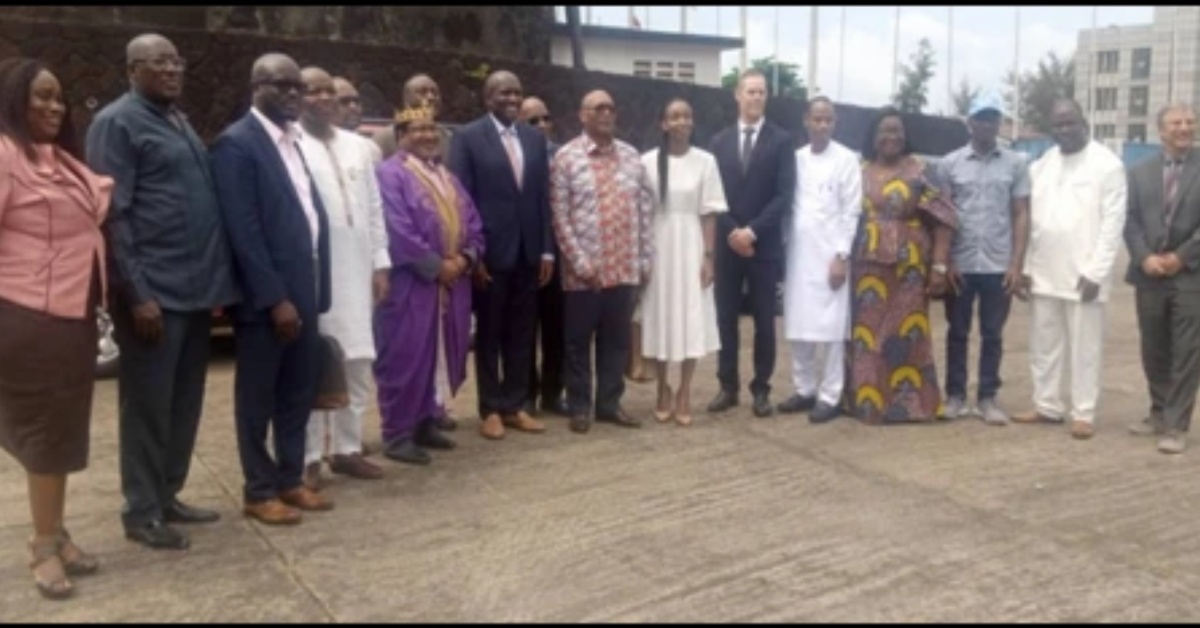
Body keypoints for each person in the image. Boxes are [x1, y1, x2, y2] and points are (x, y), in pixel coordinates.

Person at [85, 33, 239, 550]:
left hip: (196, 292)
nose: (172, 70)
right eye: (159, 63)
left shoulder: (177, 119)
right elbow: (114, 215)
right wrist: (137, 293)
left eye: (177, 61)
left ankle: (168, 493)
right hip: (156, 295)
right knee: (148, 406)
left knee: (184, 403)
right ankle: (142, 510)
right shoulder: (116, 123)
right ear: (131, 70)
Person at [0, 57, 111, 599]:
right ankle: (43, 546)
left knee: (63, 429)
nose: (52, 106)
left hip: (73, 315)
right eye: (40, 96)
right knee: (45, 433)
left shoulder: (62, 162)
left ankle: (58, 531)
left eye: (58, 98)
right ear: (14, 98)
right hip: (29, 317)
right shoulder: (2, 155)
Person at [211, 53, 334, 524]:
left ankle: (288, 479)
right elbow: (244, 231)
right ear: (255, 86)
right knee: (257, 398)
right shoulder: (237, 144)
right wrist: (275, 298)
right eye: (281, 86)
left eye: (297, 87)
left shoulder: (293, 142)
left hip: (305, 288)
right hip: (267, 301)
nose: (292, 94)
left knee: (297, 393)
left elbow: (305, 216)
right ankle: (258, 490)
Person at [296, 66, 390, 487]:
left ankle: (347, 448)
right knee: (319, 363)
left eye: (328, 91)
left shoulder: (359, 148)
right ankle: (311, 455)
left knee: (358, 361)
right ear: (298, 98)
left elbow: (373, 209)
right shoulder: (292, 145)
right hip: (317, 273)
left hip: (359, 268)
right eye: (311, 91)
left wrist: (381, 262)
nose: (322, 98)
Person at [375, 104, 483, 464]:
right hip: (412, 283)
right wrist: (436, 266)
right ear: (400, 136)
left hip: (450, 284)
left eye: (431, 129)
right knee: (406, 356)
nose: (426, 135)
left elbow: (472, 219)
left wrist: (467, 258)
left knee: (438, 356)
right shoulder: (390, 175)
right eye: (416, 129)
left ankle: (425, 421)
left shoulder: (446, 176)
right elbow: (397, 227)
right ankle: (397, 434)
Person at [1014, 99, 1126, 440]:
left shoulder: (1107, 165)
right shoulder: (1042, 165)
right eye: (1058, 125)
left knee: (1085, 347)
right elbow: (1033, 221)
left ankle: (1083, 412)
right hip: (1045, 270)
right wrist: (1027, 267)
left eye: (1070, 123)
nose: (1064, 130)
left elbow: (1113, 224)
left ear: (1085, 124)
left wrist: (1097, 271)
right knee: (1044, 343)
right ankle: (1047, 405)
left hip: (1084, 275)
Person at [449, 71, 551, 440]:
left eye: (517, 92)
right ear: (488, 97)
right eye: (504, 92)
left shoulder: (533, 139)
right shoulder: (468, 138)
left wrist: (546, 251)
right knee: (490, 334)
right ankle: (489, 408)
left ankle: (515, 404)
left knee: (523, 333)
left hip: (528, 253)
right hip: (490, 256)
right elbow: (462, 200)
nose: (512, 98)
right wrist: (472, 256)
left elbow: (541, 198)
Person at [550, 90, 655, 434]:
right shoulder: (566, 158)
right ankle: (580, 406)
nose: (606, 113)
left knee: (616, 343)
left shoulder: (631, 157)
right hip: (585, 274)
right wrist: (580, 261)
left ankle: (609, 404)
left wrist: (644, 258)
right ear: (583, 115)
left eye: (611, 107)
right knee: (578, 342)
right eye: (598, 108)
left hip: (623, 268)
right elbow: (560, 217)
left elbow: (645, 211)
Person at [847, 107, 957, 424]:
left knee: (907, 334)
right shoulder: (859, 170)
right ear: (873, 136)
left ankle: (912, 405)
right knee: (867, 334)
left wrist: (939, 266)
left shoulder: (921, 171)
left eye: (897, 130)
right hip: (865, 264)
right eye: (884, 130)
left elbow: (944, 220)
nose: (891, 136)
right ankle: (868, 404)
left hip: (908, 267)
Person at [934, 92, 1030, 425]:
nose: (987, 124)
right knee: (956, 332)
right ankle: (956, 396)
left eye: (993, 118)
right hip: (960, 264)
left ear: (998, 123)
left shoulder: (1016, 164)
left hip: (997, 265)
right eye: (980, 118)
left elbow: (1020, 213)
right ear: (969, 123)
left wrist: (1016, 264)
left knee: (993, 334)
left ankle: (988, 398)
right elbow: (943, 217)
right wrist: (946, 261)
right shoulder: (949, 164)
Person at [706, 69, 796, 418]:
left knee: (763, 321)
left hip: (763, 247)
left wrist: (752, 232)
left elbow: (784, 195)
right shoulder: (719, 142)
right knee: (725, 319)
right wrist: (733, 233)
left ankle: (761, 389)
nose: (756, 97)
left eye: (762, 92)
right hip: (728, 246)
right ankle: (727, 387)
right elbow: (714, 196)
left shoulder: (782, 140)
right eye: (751, 91)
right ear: (737, 96)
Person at [639, 98, 727, 426]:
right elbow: (641, 212)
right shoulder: (647, 162)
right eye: (674, 116)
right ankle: (662, 387)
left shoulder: (706, 162)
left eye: (687, 116)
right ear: (664, 123)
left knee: (691, 317)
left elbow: (709, 213)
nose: (681, 121)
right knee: (661, 316)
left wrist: (708, 257)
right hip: (659, 245)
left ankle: (685, 390)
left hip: (691, 243)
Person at [778, 96, 862, 424]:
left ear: (834, 123)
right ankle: (804, 389)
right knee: (798, 328)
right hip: (798, 255)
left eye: (828, 119)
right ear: (806, 121)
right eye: (817, 119)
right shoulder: (795, 159)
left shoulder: (845, 160)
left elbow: (850, 210)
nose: (822, 125)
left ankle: (830, 395)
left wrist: (842, 256)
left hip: (831, 256)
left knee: (830, 330)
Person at [1125, 103, 1200, 454]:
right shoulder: (1139, 172)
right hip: (1149, 274)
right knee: (1153, 347)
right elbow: (1130, 220)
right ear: (1161, 131)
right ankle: (1158, 411)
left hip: (1190, 275)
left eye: (1190, 122)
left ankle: (1176, 425)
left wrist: (1179, 257)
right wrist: (1144, 258)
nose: (1184, 128)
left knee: (1186, 352)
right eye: (1176, 123)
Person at [519, 95, 569, 418]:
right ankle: (526, 395)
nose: (541, 125)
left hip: (561, 256)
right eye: (532, 120)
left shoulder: (565, 157)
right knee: (525, 329)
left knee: (557, 329)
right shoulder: (514, 156)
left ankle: (553, 393)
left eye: (545, 118)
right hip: (525, 254)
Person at [373, 74, 449, 162]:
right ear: (406, 100)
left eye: (435, 93)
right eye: (423, 92)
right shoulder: (384, 138)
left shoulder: (446, 137)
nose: (431, 97)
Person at [332, 76, 382, 164]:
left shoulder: (369, 148)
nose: (353, 107)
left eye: (356, 101)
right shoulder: (312, 146)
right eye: (344, 102)